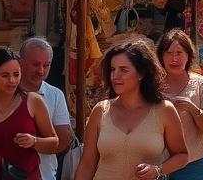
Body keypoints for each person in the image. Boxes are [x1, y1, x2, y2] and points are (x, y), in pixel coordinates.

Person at [75, 40, 188, 180]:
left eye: (123, 70)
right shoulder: (100, 111)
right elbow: (87, 164)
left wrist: (157, 169)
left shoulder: (164, 110)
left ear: (141, 74)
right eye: (112, 69)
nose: (115, 76)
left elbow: (182, 155)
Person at [0, 48, 59, 180]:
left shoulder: (33, 101)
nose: (12, 80)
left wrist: (34, 141)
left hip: (25, 175)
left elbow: (54, 142)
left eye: (16, 74)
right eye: (5, 75)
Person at [157, 30, 203, 180]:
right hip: (156, 165)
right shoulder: (150, 86)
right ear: (161, 56)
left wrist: (192, 108)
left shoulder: (201, 85)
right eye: (169, 53)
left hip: (194, 164)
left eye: (179, 52)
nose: (174, 58)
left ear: (188, 56)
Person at [17, 38, 73, 180]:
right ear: (20, 61)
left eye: (46, 65)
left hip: (44, 174)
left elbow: (62, 141)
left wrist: (33, 142)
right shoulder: (4, 94)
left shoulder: (55, 95)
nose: (41, 71)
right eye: (35, 64)